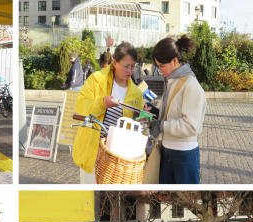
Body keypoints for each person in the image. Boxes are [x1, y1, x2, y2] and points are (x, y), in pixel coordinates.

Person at [75, 42, 144, 184]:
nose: (129, 71)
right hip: (93, 152)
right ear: (114, 62)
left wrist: (144, 117)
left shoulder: (136, 93)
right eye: (126, 66)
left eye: (133, 67)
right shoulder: (96, 79)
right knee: (91, 198)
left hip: (118, 159)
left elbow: (138, 126)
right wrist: (102, 103)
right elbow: (81, 106)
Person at [145, 35, 206, 184]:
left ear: (175, 61)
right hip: (166, 151)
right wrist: (154, 112)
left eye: (162, 66)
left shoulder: (191, 85)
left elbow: (192, 126)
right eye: (158, 66)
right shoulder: (171, 81)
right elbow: (172, 112)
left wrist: (161, 125)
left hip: (185, 155)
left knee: (186, 200)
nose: (160, 71)